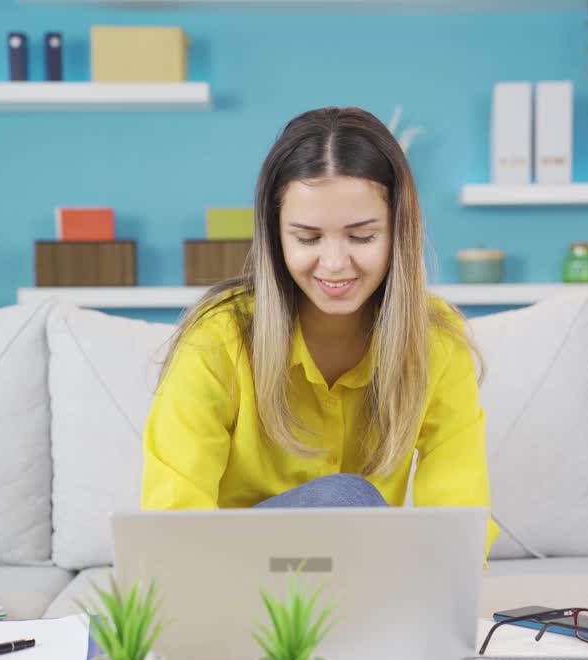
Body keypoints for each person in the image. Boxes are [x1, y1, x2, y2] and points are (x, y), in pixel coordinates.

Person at [141, 106, 499, 555]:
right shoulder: (217, 339)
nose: (333, 264)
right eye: (307, 238)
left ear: (397, 233)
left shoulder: (436, 342)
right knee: (345, 500)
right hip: (231, 577)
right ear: (276, 237)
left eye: (362, 237)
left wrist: (443, 600)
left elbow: (458, 517)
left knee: (362, 517)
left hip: (357, 587)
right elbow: (173, 523)